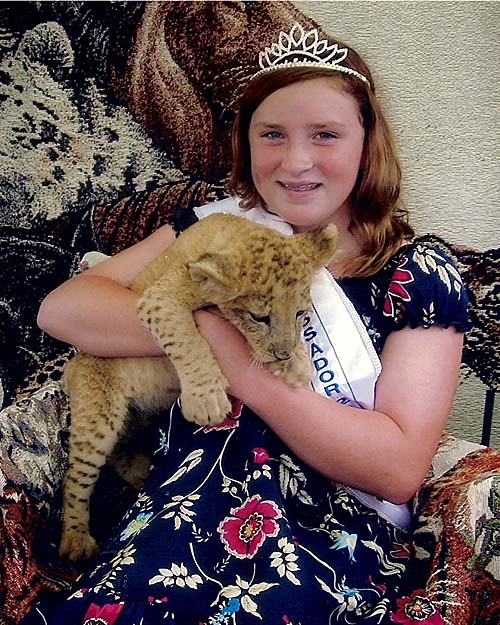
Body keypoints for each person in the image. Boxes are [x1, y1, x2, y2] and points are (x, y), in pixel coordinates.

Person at [34, 22, 470, 625]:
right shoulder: (217, 227)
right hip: (179, 508)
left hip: (321, 532)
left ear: (368, 143)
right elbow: (62, 310)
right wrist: (210, 326)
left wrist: (236, 365)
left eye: (325, 134)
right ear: (246, 144)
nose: (295, 161)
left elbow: (396, 471)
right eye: (272, 134)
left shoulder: (419, 273)